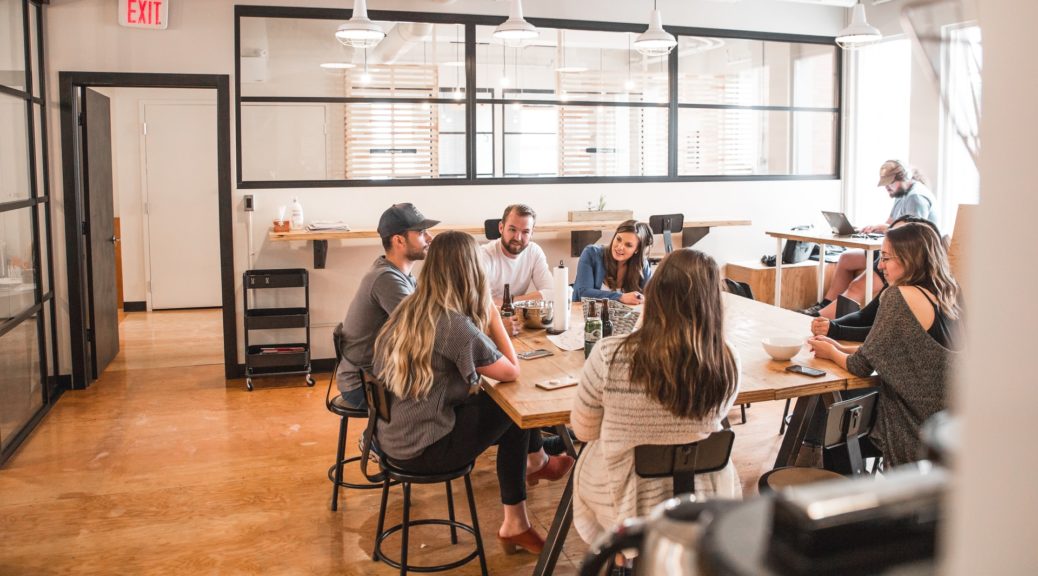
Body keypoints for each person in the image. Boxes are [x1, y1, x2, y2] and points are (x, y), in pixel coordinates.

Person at [372, 231, 570, 556]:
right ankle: (523, 500)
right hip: (425, 449)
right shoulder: (452, 324)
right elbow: (511, 369)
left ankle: (533, 473)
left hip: (394, 437)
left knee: (500, 406)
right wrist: (493, 314)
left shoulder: (410, 309)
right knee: (512, 407)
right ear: (472, 272)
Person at [571, 249, 743, 547]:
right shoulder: (727, 360)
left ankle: (623, 552)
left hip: (625, 499)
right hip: (702, 495)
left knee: (591, 455)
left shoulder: (611, 354)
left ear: (654, 293)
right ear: (713, 301)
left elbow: (584, 430)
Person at [808, 222, 963, 468]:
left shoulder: (899, 296)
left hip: (913, 429)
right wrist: (839, 348)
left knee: (834, 439)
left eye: (885, 258)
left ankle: (852, 503)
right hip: (948, 425)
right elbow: (890, 350)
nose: (880, 266)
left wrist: (831, 352)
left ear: (909, 258)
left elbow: (860, 366)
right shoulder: (948, 294)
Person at [802, 160, 938, 318]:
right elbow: (891, 223)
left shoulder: (916, 198)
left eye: (889, 184)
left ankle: (822, 318)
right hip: (896, 250)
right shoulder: (902, 194)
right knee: (846, 259)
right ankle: (826, 304)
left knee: (857, 286)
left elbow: (913, 236)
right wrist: (874, 228)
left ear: (903, 178)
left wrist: (886, 229)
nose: (887, 188)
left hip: (907, 257)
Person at [334, 203, 438, 409]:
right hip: (365, 386)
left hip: (379, 377)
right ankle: (379, 440)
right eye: (421, 232)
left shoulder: (401, 276)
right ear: (398, 240)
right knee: (448, 397)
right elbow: (426, 328)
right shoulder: (386, 279)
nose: (429, 238)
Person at [810, 216, 945, 342]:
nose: (880, 266)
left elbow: (880, 338)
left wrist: (834, 330)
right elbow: (866, 316)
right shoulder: (903, 282)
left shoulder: (909, 294)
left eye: (885, 257)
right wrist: (829, 325)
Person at [480, 204, 554, 305]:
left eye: (525, 232)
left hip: (518, 315)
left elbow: (551, 293)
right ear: (501, 228)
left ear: (532, 233)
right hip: (489, 317)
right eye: (512, 229)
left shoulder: (534, 252)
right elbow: (477, 300)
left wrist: (510, 302)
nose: (518, 237)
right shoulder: (484, 255)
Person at [572, 219, 654, 304]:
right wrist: (620, 297)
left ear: (637, 249)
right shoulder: (591, 253)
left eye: (628, 245)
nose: (620, 247)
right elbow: (583, 293)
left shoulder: (641, 264)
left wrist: (644, 298)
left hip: (625, 316)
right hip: (585, 315)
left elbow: (652, 295)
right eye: (618, 239)